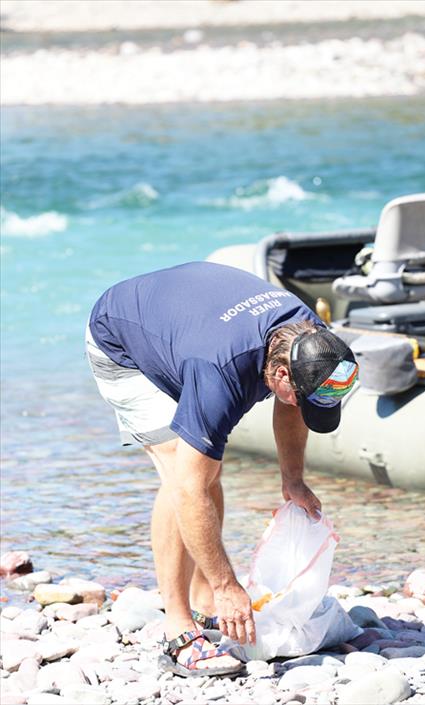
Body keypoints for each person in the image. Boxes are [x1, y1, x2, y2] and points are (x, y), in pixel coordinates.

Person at [86, 261, 358, 677]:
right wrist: (229, 583)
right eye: (300, 395)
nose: (301, 404)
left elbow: (292, 406)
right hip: (121, 336)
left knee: (206, 471)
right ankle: (178, 628)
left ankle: (204, 602)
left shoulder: (310, 337)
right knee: (183, 471)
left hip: (187, 318)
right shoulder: (219, 373)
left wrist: (293, 479)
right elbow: (188, 491)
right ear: (281, 373)